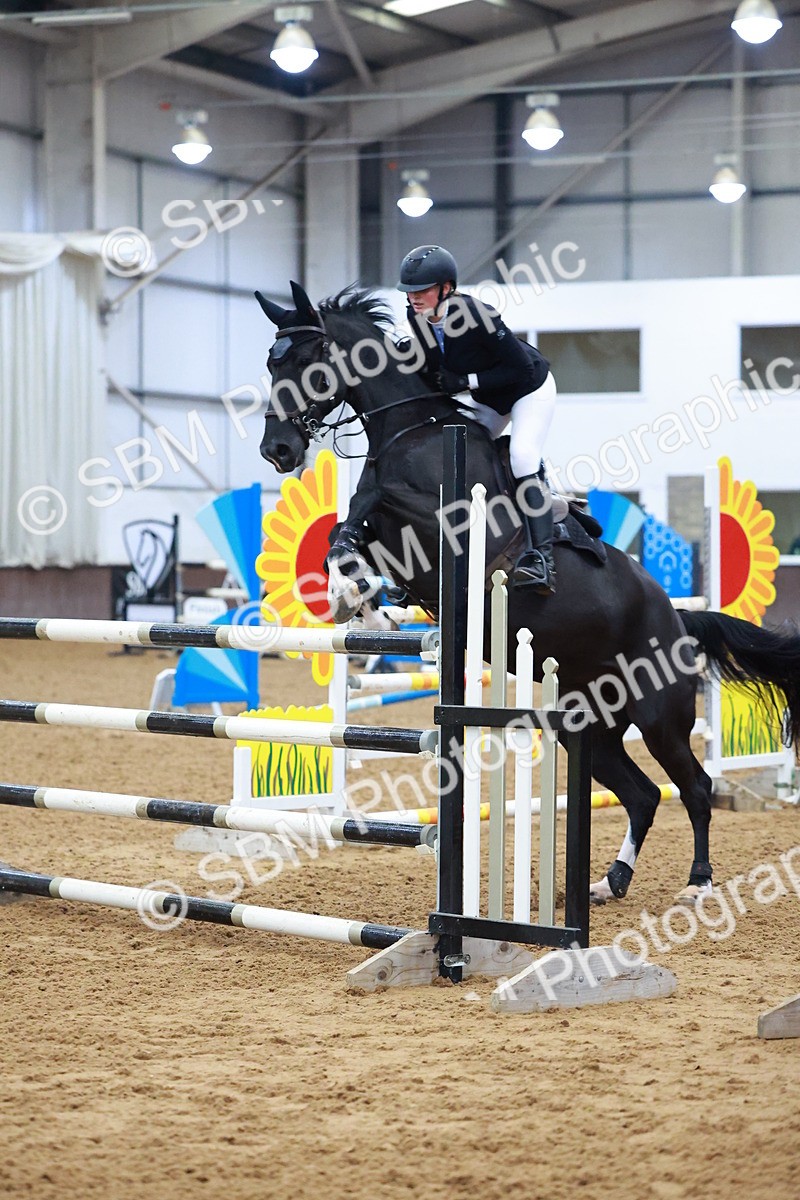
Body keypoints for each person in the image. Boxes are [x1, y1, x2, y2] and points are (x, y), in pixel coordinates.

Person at [398, 243, 558, 594]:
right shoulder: (416, 317)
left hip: (529, 389)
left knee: (522, 457)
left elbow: (521, 366)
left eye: (421, 289)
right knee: (454, 460)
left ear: (446, 288)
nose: (413, 297)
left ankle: (541, 557)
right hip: (488, 398)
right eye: (409, 291)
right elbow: (434, 363)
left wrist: (467, 382)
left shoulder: (477, 314)